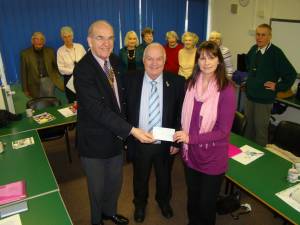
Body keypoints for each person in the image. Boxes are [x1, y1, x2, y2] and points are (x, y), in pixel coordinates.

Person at [73, 20, 154, 225]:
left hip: (116, 138)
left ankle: (110, 212)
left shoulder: (115, 62)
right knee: (97, 188)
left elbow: (122, 99)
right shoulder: (83, 70)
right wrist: (131, 130)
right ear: (89, 40)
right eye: (100, 38)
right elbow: (98, 111)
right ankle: (96, 220)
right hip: (94, 142)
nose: (106, 43)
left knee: (115, 183)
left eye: (110, 38)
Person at [174, 41, 236, 225]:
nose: (206, 62)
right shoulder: (191, 83)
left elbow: (223, 131)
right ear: (197, 61)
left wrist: (191, 138)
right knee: (193, 199)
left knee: (206, 204)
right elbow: (184, 117)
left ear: (219, 61)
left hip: (212, 157)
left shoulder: (227, 89)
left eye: (211, 57)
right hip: (191, 154)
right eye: (202, 57)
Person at [124, 43, 185, 223]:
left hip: (165, 142)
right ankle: (140, 204)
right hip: (139, 141)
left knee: (164, 177)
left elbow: (181, 113)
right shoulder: (129, 79)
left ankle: (163, 201)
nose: (154, 63)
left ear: (165, 61)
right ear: (143, 60)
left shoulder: (177, 82)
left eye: (159, 58)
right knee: (140, 178)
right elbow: (124, 110)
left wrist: (177, 141)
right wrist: (127, 136)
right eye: (149, 58)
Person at [244, 23, 296, 146]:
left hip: (264, 100)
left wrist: (277, 86)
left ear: (269, 36)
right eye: (257, 34)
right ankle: (245, 157)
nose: (259, 37)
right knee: (247, 129)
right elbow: (248, 65)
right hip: (250, 97)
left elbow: (291, 74)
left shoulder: (276, 53)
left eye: (263, 35)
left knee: (260, 131)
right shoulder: (253, 49)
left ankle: (260, 160)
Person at [20, 32, 64, 98]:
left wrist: (56, 78)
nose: (39, 41)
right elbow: (24, 72)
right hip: (33, 83)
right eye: (37, 39)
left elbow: (56, 66)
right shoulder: (25, 54)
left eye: (41, 39)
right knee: (38, 104)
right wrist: (25, 89)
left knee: (50, 102)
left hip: (48, 81)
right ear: (32, 41)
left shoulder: (50, 51)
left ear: (44, 41)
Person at [57, 26, 86, 103]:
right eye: (65, 37)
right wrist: (74, 70)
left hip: (82, 77)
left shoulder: (80, 47)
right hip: (69, 79)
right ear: (62, 38)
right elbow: (60, 68)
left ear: (72, 36)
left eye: (69, 36)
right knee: (72, 102)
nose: (67, 39)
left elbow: (86, 62)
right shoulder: (60, 51)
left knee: (84, 99)